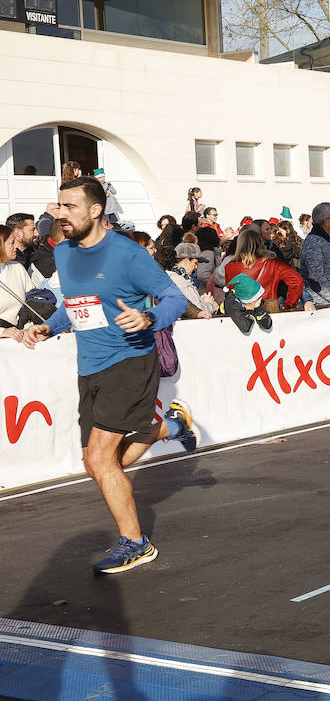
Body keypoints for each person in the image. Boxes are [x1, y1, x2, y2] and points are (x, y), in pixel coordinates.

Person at [21, 177, 197, 573]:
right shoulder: (64, 253)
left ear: (95, 210)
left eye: (70, 207)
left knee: (101, 459)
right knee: (96, 462)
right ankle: (168, 427)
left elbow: (173, 297)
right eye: (59, 207)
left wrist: (148, 316)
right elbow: (75, 305)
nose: (60, 215)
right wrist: (51, 325)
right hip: (90, 366)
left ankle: (135, 543)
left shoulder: (126, 254)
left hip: (130, 360)